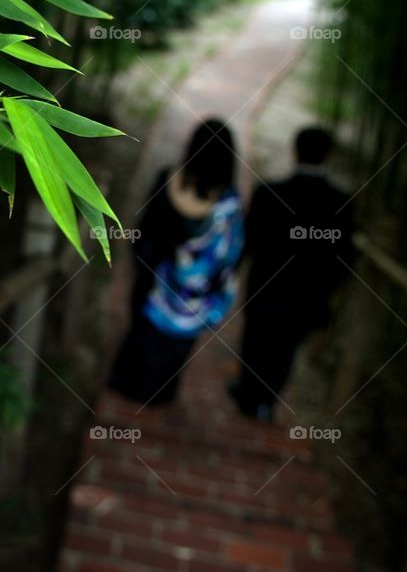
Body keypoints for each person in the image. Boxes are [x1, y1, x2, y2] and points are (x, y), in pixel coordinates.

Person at [108, 118, 244, 407]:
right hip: (194, 298)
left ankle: (128, 386)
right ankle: (158, 395)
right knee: (176, 346)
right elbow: (231, 255)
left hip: (152, 280)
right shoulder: (229, 205)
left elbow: (142, 234)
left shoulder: (167, 180)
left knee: (141, 334)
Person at [229, 125, 354, 421]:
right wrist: (330, 292)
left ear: (294, 150)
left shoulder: (269, 193)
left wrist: (232, 272)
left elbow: (248, 240)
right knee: (285, 348)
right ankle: (265, 401)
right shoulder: (340, 202)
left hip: (266, 285)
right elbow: (344, 257)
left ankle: (248, 392)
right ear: (329, 156)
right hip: (309, 294)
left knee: (256, 338)